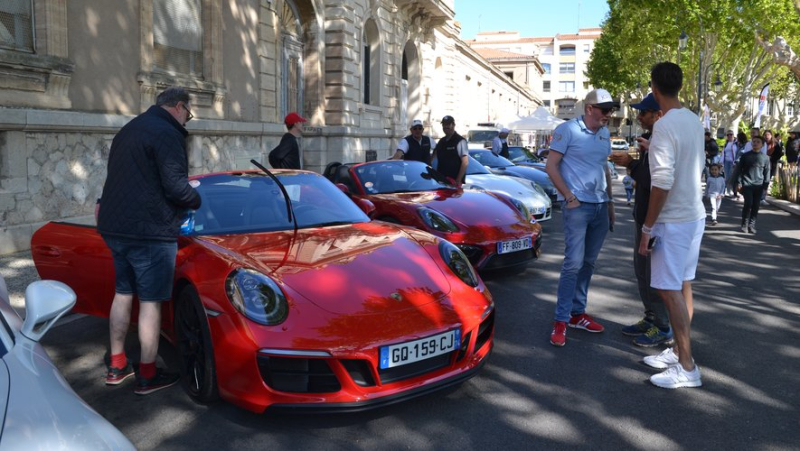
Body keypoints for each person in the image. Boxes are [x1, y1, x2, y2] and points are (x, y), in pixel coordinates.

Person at [97, 87, 202, 395]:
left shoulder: (129, 129)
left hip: (115, 228)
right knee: (151, 303)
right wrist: (196, 198)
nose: (187, 121)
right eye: (188, 115)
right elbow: (175, 187)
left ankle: (117, 365)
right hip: (150, 232)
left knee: (123, 293)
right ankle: (147, 373)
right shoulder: (168, 133)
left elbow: (118, 176)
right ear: (180, 107)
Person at [638, 62, 704, 389]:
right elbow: (685, 158)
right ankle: (679, 352)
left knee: (668, 288)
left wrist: (647, 228)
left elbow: (661, 183)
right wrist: (655, 150)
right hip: (694, 214)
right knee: (684, 284)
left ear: (654, 87)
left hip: (674, 219)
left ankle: (688, 366)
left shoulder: (664, 126)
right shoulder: (692, 119)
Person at [545, 88, 617, 347]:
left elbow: (603, 168)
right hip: (578, 207)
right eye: (605, 110)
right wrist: (569, 197)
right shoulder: (568, 130)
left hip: (599, 206)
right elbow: (550, 166)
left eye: (611, 110)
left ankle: (577, 313)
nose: (609, 114)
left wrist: (610, 202)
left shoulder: (605, 133)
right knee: (573, 263)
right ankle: (561, 319)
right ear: (589, 109)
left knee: (588, 263)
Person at [610, 92, 673, 348]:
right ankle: (651, 317)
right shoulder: (649, 139)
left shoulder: (663, 140)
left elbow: (655, 180)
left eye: (643, 112)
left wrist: (631, 165)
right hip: (643, 214)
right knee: (641, 272)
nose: (639, 116)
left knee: (653, 274)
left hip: (655, 219)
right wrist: (633, 161)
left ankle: (663, 326)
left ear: (657, 114)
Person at [729, 135, 770, 234]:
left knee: (756, 205)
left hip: (759, 185)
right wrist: (738, 182)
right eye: (754, 141)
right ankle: (744, 224)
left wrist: (765, 186)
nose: (755, 143)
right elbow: (739, 170)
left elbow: (767, 172)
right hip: (747, 184)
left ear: (762, 145)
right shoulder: (745, 156)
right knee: (748, 203)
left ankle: (752, 225)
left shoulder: (765, 158)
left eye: (758, 142)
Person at [432, 115, 469, 186]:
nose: (446, 127)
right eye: (444, 124)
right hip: (440, 182)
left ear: (453, 125)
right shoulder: (441, 141)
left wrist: (458, 180)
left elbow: (465, 162)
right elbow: (433, 158)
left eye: (448, 124)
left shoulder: (460, 141)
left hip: (453, 183)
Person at [721, 130, 737, 196]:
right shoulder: (726, 144)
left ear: (733, 135)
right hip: (726, 162)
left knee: (731, 176)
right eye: (728, 135)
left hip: (732, 162)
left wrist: (735, 162)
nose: (729, 136)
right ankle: (727, 190)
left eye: (731, 134)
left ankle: (730, 190)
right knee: (727, 177)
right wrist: (721, 162)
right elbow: (723, 153)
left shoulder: (736, 143)